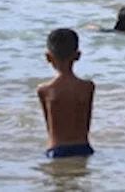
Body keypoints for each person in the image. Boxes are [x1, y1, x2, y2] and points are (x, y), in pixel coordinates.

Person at [37, 28, 95, 159]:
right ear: (78, 55)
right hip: (83, 148)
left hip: (57, 150)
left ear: (48, 57)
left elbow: (49, 128)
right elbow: (87, 124)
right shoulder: (88, 87)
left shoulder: (44, 90)